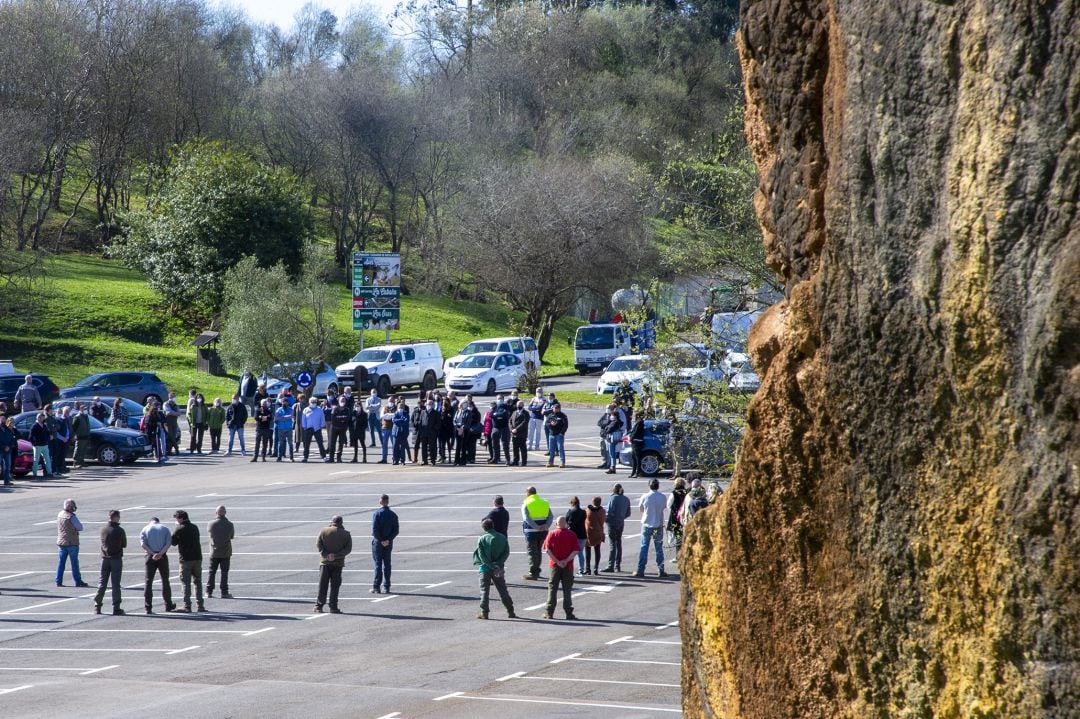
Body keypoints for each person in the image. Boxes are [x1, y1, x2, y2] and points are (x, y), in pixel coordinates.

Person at [473, 517, 516, 620]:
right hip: (498, 568)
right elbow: (506, 552)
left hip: (485, 569)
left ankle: (484, 612)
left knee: (484, 591)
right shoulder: (502, 537)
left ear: (484, 528)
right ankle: (510, 611)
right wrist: (498, 563)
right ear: (493, 525)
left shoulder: (482, 538)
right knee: (502, 590)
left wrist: (489, 564)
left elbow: (481, 555)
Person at [542, 516, 579, 621]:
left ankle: (549, 612)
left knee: (552, 587)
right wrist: (566, 560)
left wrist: (557, 561)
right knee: (567, 589)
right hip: (568, 566)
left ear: (557, 524)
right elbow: (576, 550)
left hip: (554, 565)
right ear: (566, 523)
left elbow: (547, 549)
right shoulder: (571, 534)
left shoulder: (552, 534)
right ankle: (568, 612)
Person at [315, 515, 352, 613]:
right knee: (335, 586)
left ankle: (319, 606)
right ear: (341, 523)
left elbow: (318, 544)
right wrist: (336, 556)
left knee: (323, 585)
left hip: (324, 562)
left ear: (332, 521)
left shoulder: (323, 531)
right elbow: (348, 550)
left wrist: (326, 555)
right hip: (338, 563)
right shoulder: (346, 534)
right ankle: (333, 607)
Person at [170, 510, 205, 612]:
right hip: (197, 557)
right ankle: (200, 605)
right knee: (198, 581)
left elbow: (173, 542)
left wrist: (176, 529)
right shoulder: (194, 527)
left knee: (186, 582)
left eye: (177, 518)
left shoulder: (179, 529)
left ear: (180, 518)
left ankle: (187, 605)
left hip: (185, 559)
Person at [93, 509, 126, 615]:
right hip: (116, 559)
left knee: (102, 583)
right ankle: (116, 607)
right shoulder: (119, 530)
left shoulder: (103, 529)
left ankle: (97, 606)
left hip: (105, 559)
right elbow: (124, 544)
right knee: (115, 584)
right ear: (115, 517)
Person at [633, 479, 668, 578]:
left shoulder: (645, 496)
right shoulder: (662, 497)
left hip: (647, 523)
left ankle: (640, 570)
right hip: (658, 524)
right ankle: (661, 570)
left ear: (649, 486)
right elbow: (663, 507)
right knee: (659, 548)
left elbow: (641, 509)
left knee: (644, 547)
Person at [140, 516, 175, 614]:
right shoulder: (165, 528)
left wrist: (152, 553)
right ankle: (168, 605)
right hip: (162, 556)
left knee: (148, 582)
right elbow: (168, 543)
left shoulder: (145, 529)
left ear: (150, 522)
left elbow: (143, 544)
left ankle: (148, 607)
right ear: (158, 521)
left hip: (150, 556)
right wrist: (160, 553)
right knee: (165, 580)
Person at [521, 486, 552, 580]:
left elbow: (526, 518)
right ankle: (537, 570)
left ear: (528, 493)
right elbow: (550, 516)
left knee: (532, 552)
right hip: (543, 531)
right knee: (538, 551)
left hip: (531, 531)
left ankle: (533, 573)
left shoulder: (526, 503)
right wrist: (546, 526)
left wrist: (536, 527)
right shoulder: (544, 502)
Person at [56, 499, 90, 587]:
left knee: (61, 562)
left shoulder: (60, 515)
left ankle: (58, 580)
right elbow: (80, 527)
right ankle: (78, 581)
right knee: (74, 563)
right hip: (72, 542)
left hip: (61, 542)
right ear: (69, 507)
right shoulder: (71, 517)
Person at [371, 494, 399, 594]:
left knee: (378, 564)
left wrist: (381, 540)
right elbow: (396, 530)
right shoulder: (393, 514)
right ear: (387, 501)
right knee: (387, 564)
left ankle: (376, 586)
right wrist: (388, 540)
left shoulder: (377, 514)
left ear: (380, 501)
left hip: (378, 543)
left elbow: (374, 529)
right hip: (388, 543)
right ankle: (386, 586)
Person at [206, 505, 234, 599]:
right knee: (224, 572)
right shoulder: (230, 524)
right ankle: (224, 592)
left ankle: (208, 591)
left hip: (214, 552)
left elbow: (210, 534)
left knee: (211, 572)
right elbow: (231, 536)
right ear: (225, 512)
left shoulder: (211, 524)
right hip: (225, 552)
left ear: (216, 512)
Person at [603, 484, 632, 573]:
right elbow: (628, 513)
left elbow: (609, 511)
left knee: (613, 544)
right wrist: (621, 517)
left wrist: (606, 519)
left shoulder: (613, 498)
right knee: (619, 543)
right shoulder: (626, 499)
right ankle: (617, 565)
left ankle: (611, 565)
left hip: (612, 523)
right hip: (620, 523)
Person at [565, 497, 588, 575]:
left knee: (571, 553)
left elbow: (566, 522)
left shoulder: (570, 512)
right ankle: (581, 569)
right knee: (580, 553)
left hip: (573, 535)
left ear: (572, 503)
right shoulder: (583, 512)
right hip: (582, 534)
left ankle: (569, 569)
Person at [585, 496, 606, 576]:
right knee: (597, 551)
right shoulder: (602, 511)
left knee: (587, 551)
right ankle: (596, 568)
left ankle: (588, 569)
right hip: (598, 532)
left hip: (589, 533)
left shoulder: (588, 511)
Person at [301, 397, 327, 462]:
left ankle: (323, 456)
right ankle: (305, 457)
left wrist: (322, 425)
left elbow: (322, 418)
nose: (313, 403)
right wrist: (304, 426)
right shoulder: (306, 410)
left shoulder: (319, 409)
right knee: (306, 444)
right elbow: (303, 419)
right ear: (309, 403)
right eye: (312, 402)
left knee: (320, 443)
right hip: (308, 428)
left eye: (314, 402)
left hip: (317, 428)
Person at [600, 405, 624, 474]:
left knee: (611, 453)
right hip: (615, 438)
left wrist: (606, 428)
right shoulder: (618, 422)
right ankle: (612, 467)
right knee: (612, 453)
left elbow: (608, 429)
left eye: (612, 416)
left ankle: (612, 467)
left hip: (611, 439)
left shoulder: (614, 423)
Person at [667, 478, 689, 549]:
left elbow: (668, 505)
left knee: (678, 537)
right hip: (685, 515)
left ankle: (678, 555)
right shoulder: (687, 492)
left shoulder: (674, 493)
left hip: (676, 517)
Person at [545, 403, 568, 468]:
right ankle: (550, 462)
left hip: (559, 435)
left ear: (559, 409)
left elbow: (565, 425)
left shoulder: (563, 416)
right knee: (551, 449)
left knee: (560, 449)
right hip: (551, 435)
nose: (554, 409)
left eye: (556, 408)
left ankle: (562, 462)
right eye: (554, 408)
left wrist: (562, 433)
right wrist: (551, 424)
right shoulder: (550, 415)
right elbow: (547, 423)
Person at [29, 412, 53, 478]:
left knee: (47, 459)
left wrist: (49, 437)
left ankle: (49, 472)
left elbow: (48, 433)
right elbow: (31, 436)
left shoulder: (44, 425)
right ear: (38, 418)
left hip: (45, 445)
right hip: (37, 446)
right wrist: (34, 444)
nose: (43, 418)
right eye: (42, 417)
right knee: (36, 460)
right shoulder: (35, 426)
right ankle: (34, 474)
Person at [328, 397, 351, 463]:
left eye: (344, 400)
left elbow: (347, 418)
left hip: (343, 429)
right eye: (341, 400)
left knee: (341, 444)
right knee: (332, 443)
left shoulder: (347, 410)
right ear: (338, 401)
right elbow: (333, 419)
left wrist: (341, 418)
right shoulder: (334, 409)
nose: (342, 401)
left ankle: (339, 458)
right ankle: (331, 458)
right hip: (334, 428)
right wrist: (342, 418)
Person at [50, 406, 70, 475]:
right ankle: (57, 469)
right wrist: (62, 438)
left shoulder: (65, 420)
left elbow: (67, 430)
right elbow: (56, 432)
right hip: (59, 441)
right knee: (57, 455)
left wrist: (67, 437)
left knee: (62, 455)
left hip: (64, 441)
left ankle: (61, 467)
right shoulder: (57, 420)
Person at [490, 397, 510, 465]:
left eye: (501, 399)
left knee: (505, 444)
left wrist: (496, 415)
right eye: (498, 398)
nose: (499, 400)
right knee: (495, 444)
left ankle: (507, 459)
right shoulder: (495, 407)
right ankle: (495, 458)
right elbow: (491, 415)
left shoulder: (506, 407)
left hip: (504, 428)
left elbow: (504, 414)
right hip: (496, 428)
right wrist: (497, 415)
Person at [71, 404, 92, 468]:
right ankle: (75, 462)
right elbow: (74, 427)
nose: (85, 410)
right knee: (78, 450)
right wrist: (73, 436)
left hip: (85, 436)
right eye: (84, 409)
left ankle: (81, 462)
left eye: (86, 409)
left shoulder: (86, 416)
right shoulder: (77, 417)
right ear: (81, 409)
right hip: (79, 436)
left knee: (83, 450)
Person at [273, 397, 294, 462]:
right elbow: (276, 419)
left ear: (288, 403)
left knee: (290, 443)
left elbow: (291, 416)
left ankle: (291, 457)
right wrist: (285, 418)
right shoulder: (278, 410)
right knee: (280, 443)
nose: (284, 403)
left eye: (286, 402)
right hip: (281, 428)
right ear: (281, 402)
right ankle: (279, 457)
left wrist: (281, 418)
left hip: (289, 428)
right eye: (283, 402)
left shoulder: (291, 409)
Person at [509, 400, 529, 466]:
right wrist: (511, 429)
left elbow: (524, 423)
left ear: (523, 405)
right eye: (518, 405)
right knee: (515, 448)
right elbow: (510, 421)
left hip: (522, 433)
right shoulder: (514, 412)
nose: (518, 406)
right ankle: (515, 461)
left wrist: (516, 429)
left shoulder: (526, 413)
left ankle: (524, 462)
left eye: (520, 405)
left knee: (523, 448)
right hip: (514, 433)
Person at [391, 401, 410, 465]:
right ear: (397, 407)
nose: (400, 408)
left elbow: (406, 421)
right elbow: (394, 420)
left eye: (402, 407)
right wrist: (401, 420)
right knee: (395, 447)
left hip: (403, 433)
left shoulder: (406, 414)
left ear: (403, 408)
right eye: (399, 407)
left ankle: (402, 460)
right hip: (396, 433)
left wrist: (399, 421)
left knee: (402, 447)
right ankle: (395, 460)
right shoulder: (395, 413)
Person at [627, 413, 646, 478]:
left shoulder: (639, 423)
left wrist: (631, 438)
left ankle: (637, 473)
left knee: (637, 458)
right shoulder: (637, 422)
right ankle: (633, 472)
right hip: (634, 442)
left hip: (637, 442)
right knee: (634, 458)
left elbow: (635, 432)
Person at [0, 415, 15, 486]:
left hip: (7, 451)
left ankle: (7, 481)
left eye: (4, 419)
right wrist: (3, 447)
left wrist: (9, 446)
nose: (3, 420)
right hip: (0, 450)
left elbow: (12, 440)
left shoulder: (8, 430)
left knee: (7, 466)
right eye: (2, 419)